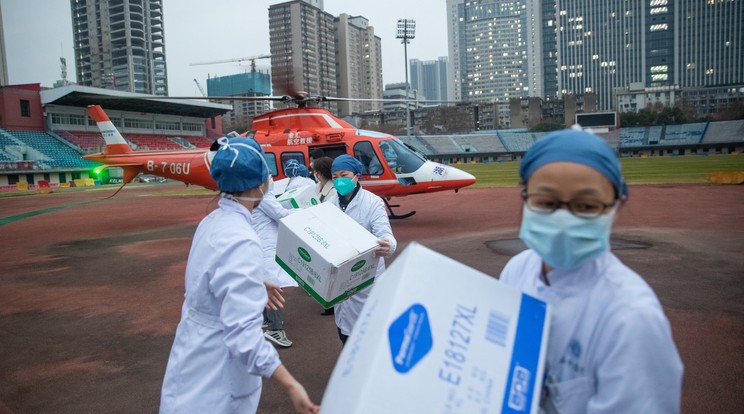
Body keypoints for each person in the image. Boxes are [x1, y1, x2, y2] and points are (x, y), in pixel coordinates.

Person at [499, 128, 683, 413]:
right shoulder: (517, 270)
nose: (563, 218)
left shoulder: (632, 319)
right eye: (546, 202)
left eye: (586, 205)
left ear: (616, 207)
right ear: (525, 198)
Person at [160, 137, 319, 414]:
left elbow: (209, 275)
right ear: (260, 184)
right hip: (216, 374)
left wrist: (254, 285)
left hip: (192, 351)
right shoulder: (242, 239)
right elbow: (243, 335)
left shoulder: (212, 222)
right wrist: (292, 384)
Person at [330, 155, 397, 344]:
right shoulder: (330, 205)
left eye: (344, 175)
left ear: (356, 176)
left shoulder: (372, 203)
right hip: (341, 276)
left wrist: (388, 245)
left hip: (367, 276)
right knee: (344, 331)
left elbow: (385, 234)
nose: (339, 180)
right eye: (334, 177)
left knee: (369, 333)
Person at [253, 180, 298, 348]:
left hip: (260, 244)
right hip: (266, 246)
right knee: (274, 285)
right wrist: (304, 211)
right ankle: (275, 329)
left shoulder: (255, 195)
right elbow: (281, 215)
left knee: (264, 283)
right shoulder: (263, 197)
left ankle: (266, 319)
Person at [311, 156, 338, 316]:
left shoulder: (333, 190)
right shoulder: (317, 187)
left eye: (315, 171)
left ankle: (332, 303)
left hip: (329, 232)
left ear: (320, 173)